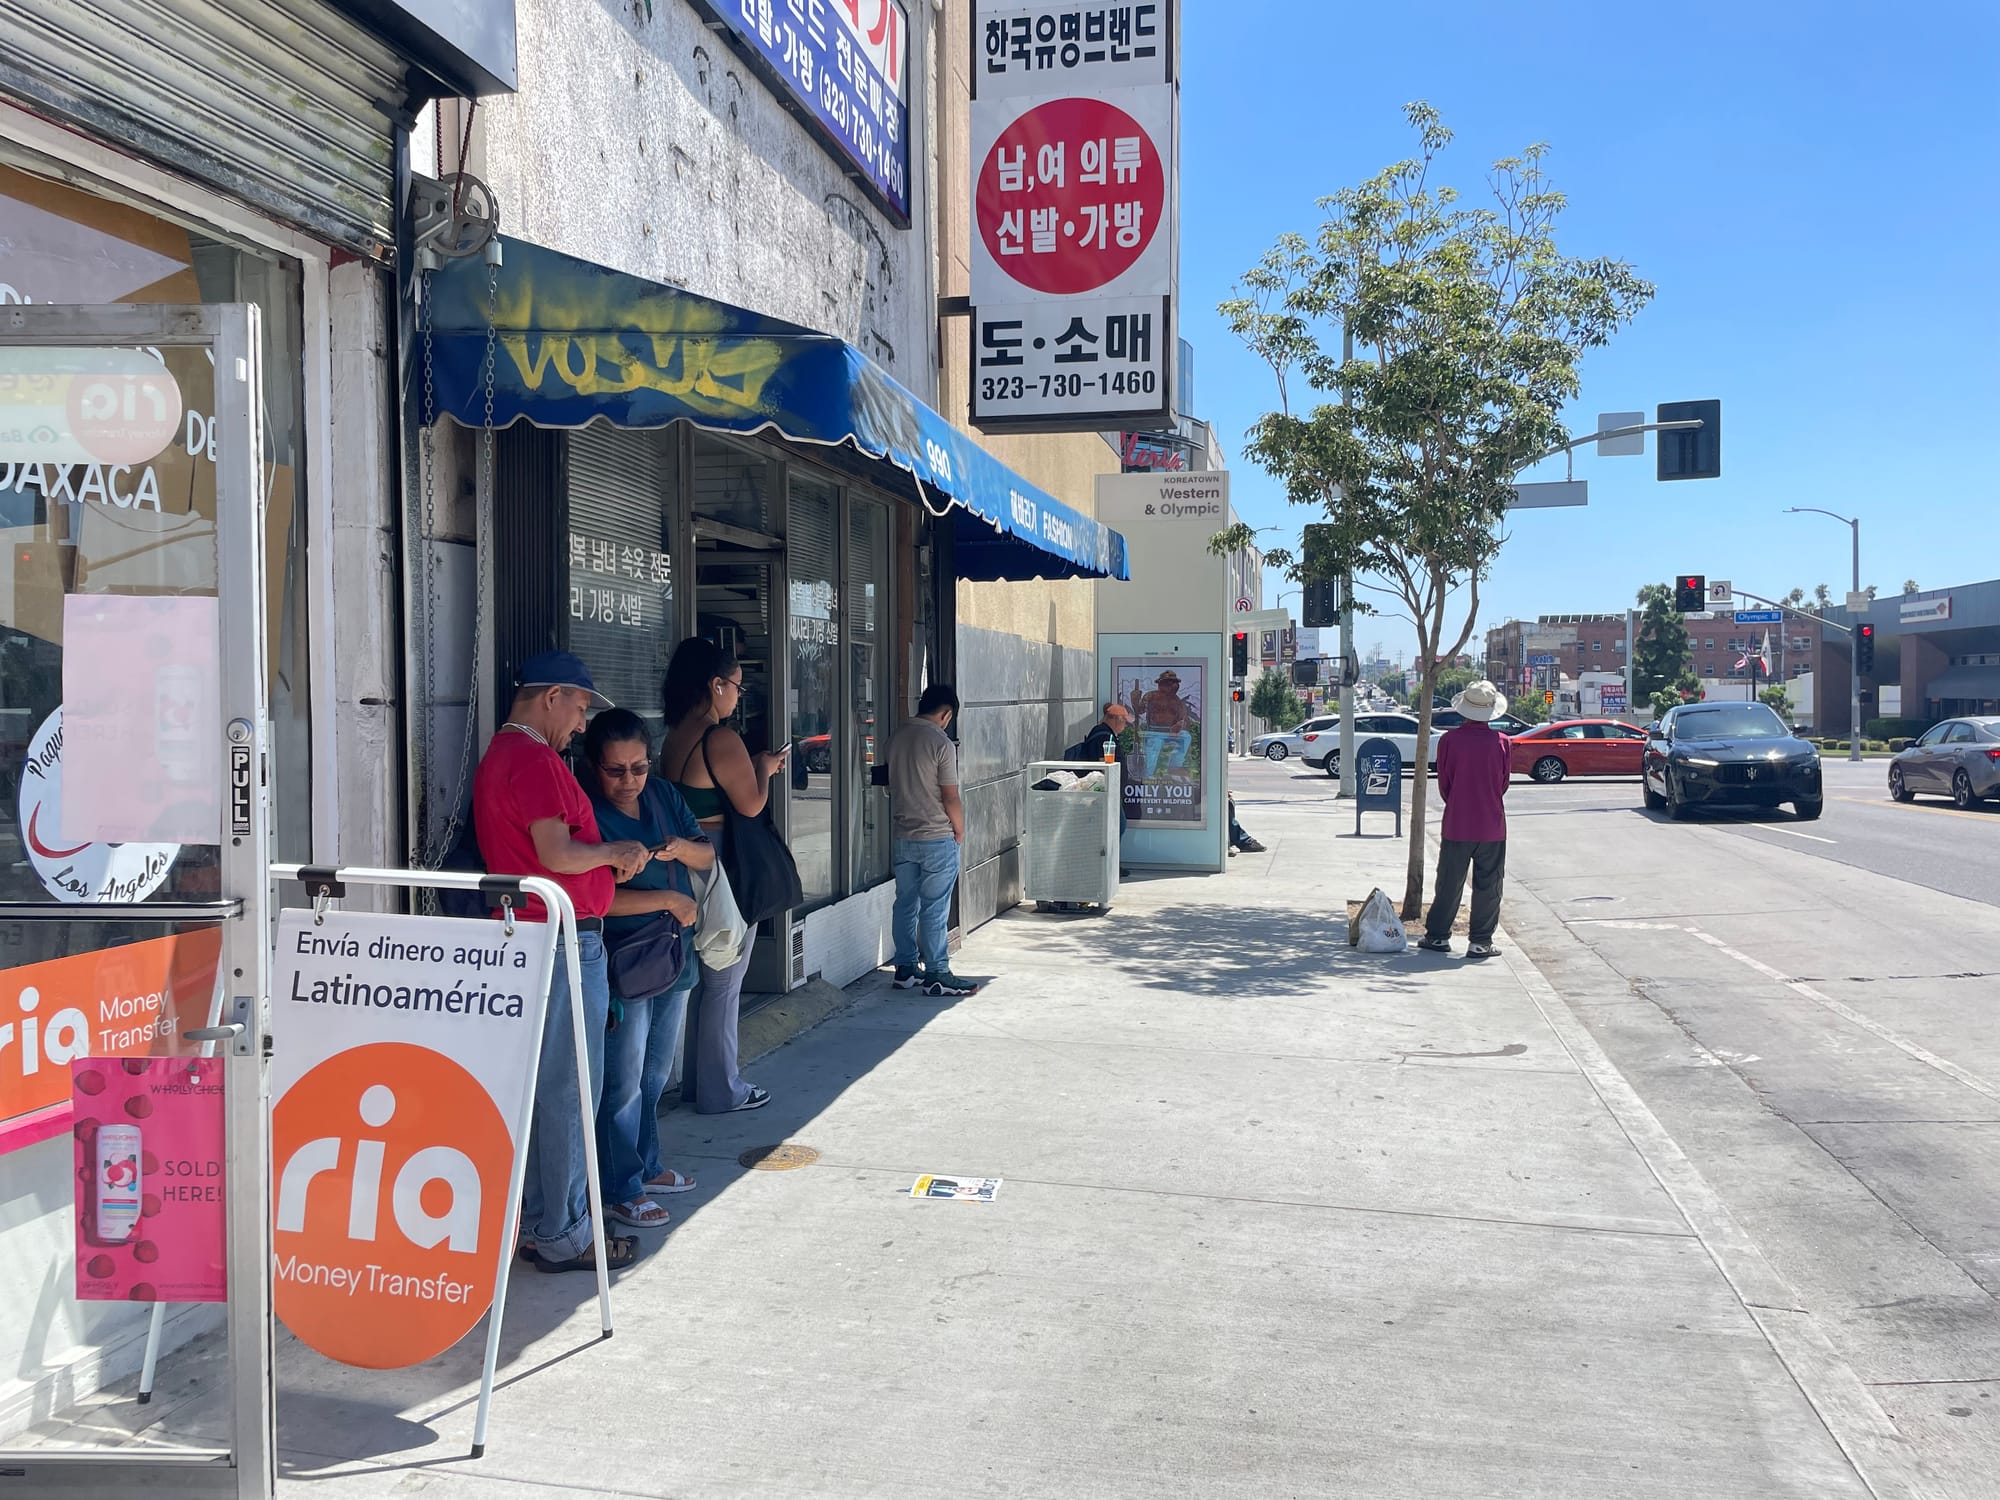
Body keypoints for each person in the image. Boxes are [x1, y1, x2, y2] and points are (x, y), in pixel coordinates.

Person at [472, 651, 652, 1273]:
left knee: (549, 1089)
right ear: (552, 697)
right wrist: (615, 852)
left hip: (532, 936)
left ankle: (545, 1221)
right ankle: (568, 1234)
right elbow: (556, 854)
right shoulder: (534, 758)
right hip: (562, 938)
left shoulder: (505, 753)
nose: (582, 724)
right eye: (579, 707)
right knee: (573, 1087)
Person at [578, 708, 714, 1231]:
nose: (630, 780)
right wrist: (665, 897)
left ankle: (648, 1164)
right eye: (616, 770)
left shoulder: (661, 795)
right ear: (594, 766)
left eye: (639, 767)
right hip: (623, 959)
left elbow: (705, 855)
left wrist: (681, 847)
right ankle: (621, 1187)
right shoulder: (586, 812)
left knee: (656, 1073)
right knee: (624, 1080)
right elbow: (593, 900)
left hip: (673, 951)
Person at [659, 638, 783, 1112]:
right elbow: (750, 803)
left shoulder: (676, 735)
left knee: (703, 978)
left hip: (684, 861)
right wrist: (764, 768)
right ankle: (721, 1089)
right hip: (720, 863)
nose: (738, 694)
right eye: (735, 685)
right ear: (715, 685)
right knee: (726, 979)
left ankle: (699, 1082)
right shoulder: (720, 738)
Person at [887, 684, 976, 996]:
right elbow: (949, 796)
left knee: (905, 903)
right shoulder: (941, 742)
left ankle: (905, 967)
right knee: (935, 908)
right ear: (946, 714)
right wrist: (960, 829)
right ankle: (937, 971)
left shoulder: (897, 736)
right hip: (936, 836)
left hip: (903, 834)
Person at [1418, 680, 1513, 959]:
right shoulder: (1503, 743)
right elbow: (1503, 784)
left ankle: (1437, 936)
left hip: (1457, 822)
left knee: (1449, 881)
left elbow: (1445, 784)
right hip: (1492, 825)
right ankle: (1480, 941)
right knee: (1489, 884)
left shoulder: (1449, 741)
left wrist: (1459, 801)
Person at [1137, 670, 1193, 779]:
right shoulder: (1151, 696)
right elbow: (1139, 711)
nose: (1174, 686)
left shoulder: (1177, 701)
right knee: (1154, 746)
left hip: (1171, 733)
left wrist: (1180, 725)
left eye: (1174, 683)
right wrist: (1136, 701)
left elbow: (1184, 719)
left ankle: (1174, 767)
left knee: (1186, 736)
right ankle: (1149, 774)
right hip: (1154, 732)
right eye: (1170, 683)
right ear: (1161, 684)